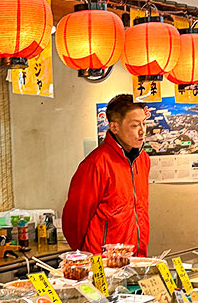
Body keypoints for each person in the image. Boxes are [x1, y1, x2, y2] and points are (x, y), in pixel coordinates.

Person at [62, 94, 150, 256]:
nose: (142, 131)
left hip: (136, 256)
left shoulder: (143, 159)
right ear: (114, 127)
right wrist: (89, 255)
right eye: (134, 125)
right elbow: (75, 219)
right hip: (104, 261)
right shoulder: (96, 164)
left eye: (144, 123)